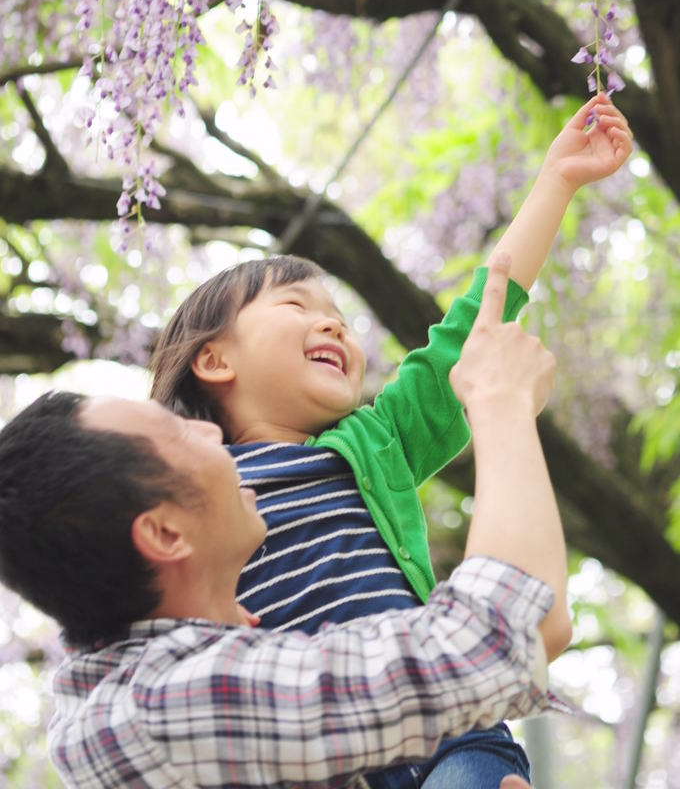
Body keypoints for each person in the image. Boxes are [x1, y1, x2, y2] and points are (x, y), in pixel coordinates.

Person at [149, 95, 632, 787]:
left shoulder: (377, 440)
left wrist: (556, 181)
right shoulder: (192, 491)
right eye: (297, 308)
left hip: (450, 729)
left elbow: (476, 321)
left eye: (340, 319)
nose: (336, 328)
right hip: (324, 752)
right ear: (214, 360)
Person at [0, 255, 568, 788]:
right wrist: (502, 403)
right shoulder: (173, 702)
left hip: (455, 741)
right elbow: (500, 637)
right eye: (176, 434)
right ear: (165, 534)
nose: (206, 434)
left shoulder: (152, 688)